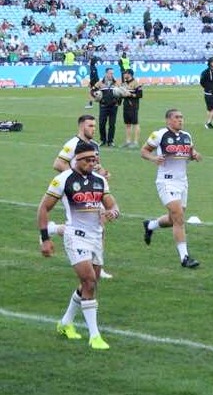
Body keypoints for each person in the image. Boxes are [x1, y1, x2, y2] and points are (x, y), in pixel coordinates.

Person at [37, 140, 120, 350]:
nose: (92, 163)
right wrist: (45, 238)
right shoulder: (62, 180)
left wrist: (113, 212)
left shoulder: (100, 180)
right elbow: (43, 208)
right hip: (75, 236)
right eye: (88, 160)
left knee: (90, 283)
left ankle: (65, 323)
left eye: (94, 160)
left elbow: (112, 204)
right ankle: (95, 336)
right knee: (89, 281)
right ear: (77, 159)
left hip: (96, 237)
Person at [52, 114, 113, 279]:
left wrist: (103, 173)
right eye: (90, 126)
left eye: (94, 126)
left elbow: (95, 165)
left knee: (98, 227)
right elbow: (58, 163)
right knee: (94, 226)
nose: (94, 129)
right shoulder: (73, 144)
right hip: (77, 192)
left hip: (92, 190)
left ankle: (53, 229)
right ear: (81, 126)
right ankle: (96, 265)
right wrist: (75, 180)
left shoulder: (94, 145)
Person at [141, 109, 202, 268]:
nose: (180, 120)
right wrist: (154, 158)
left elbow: (190, 152)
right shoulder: (159, 135)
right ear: (168, 120)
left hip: (183, 182)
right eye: (176, 117)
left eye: (181, 117)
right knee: (179, 218)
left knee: (174, 218)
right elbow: (144, 151)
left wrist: (194, 155)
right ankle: (184, 258)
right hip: (166, 181)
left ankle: (150, 225)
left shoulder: (186, 136)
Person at [94, 67, 120, 147]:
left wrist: (118, 102)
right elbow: (92, 91)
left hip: (113, 106)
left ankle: (110, 141)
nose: (112, 75)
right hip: (103, 106)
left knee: (112, 124)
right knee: (102, 124)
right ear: (106, 73)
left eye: (112, 73)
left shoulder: (116, 83)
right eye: (110, 73)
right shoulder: (100, 83)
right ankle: (103, 140)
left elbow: (121, 93)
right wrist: (96, 96)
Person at [120, 69, 142, 148]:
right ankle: (128, 141)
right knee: (127, 124)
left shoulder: (136, 83)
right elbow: (122, 95)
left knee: (135, 124)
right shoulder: (123, 84)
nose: (124, 75)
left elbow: (140, 95)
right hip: (125, 106)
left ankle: (135, 142)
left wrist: (130, 95)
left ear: (129, 74)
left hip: (133, 106)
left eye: (125, 73)